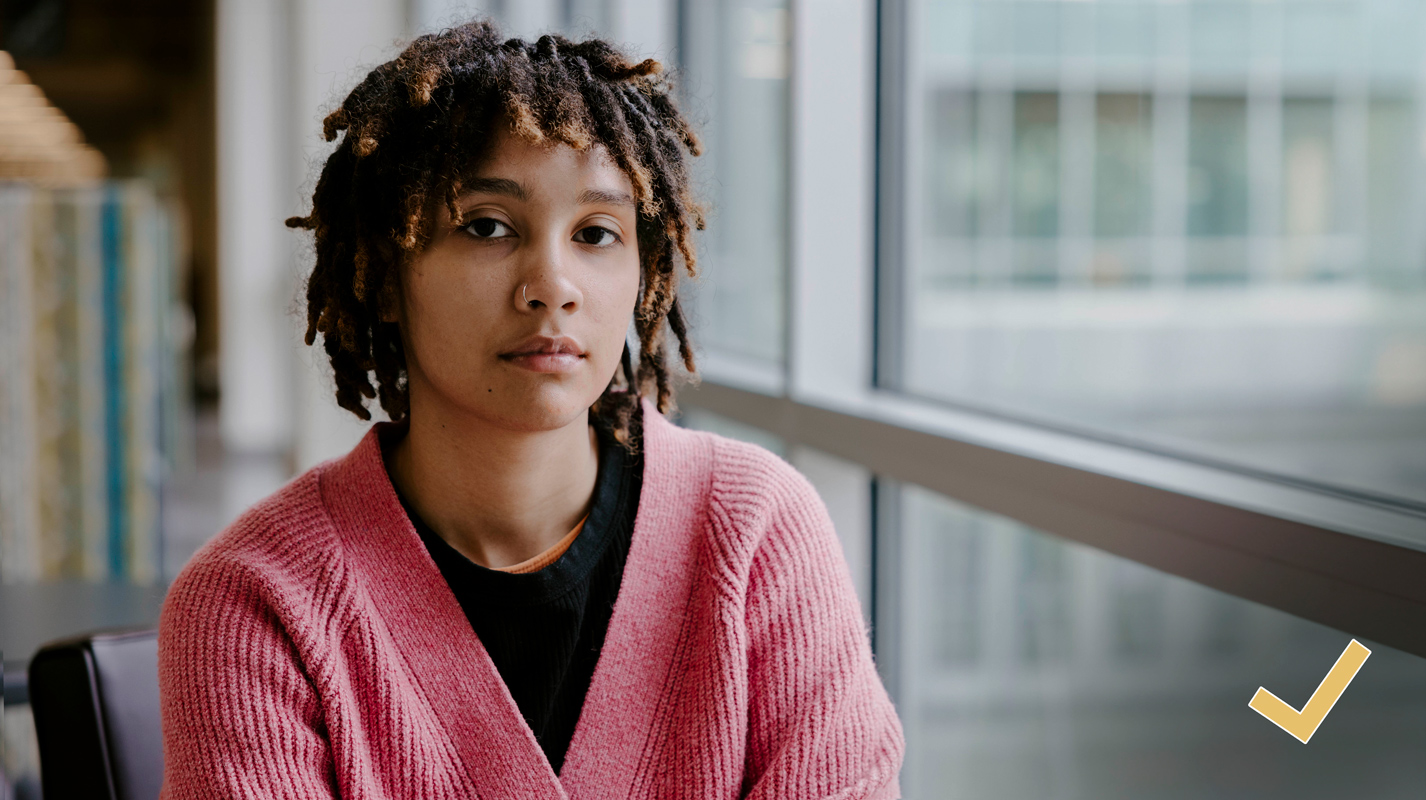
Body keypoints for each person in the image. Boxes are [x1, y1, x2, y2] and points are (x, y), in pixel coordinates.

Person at [157, 19, 903, 799]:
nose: (553, 284)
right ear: (383, 274)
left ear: (644, 276)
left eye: (596, 233)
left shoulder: (756, 533)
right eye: (487, 226)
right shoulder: (255, 601)